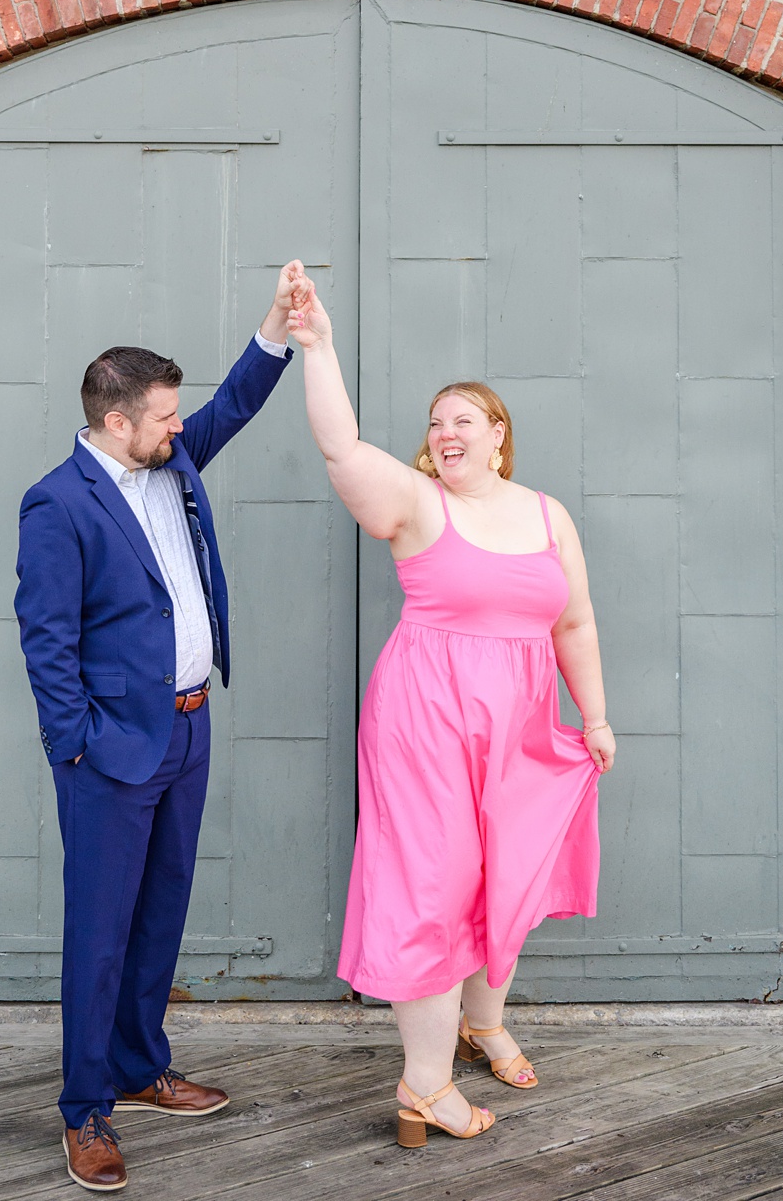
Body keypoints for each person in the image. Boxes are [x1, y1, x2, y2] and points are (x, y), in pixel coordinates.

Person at [284, 277, 610, 1149]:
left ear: (498, 434)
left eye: (463, 418)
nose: (445, 431)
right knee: (433, 883)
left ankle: (483, 1021)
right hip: (427, 718)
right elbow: (340, 443)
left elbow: (573, 620)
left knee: (504, 870)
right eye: (435, 422)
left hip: (523, 722)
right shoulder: (420, 506)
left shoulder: (547, 515)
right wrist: (317, 346)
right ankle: (424, 1083)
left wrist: (598, 717)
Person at [12, 261, 307, 1194]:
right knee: (99, 932)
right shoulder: (57, 504)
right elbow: (46, 640)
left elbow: (236, 410)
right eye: (166, 416)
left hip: (188, 733)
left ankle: (140, 1067)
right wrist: (79, 744)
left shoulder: (171, 460)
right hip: (111, 751)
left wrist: (276, 328)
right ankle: (85, 1109)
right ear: (115, 423)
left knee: (160, 913)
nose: (184, 427)